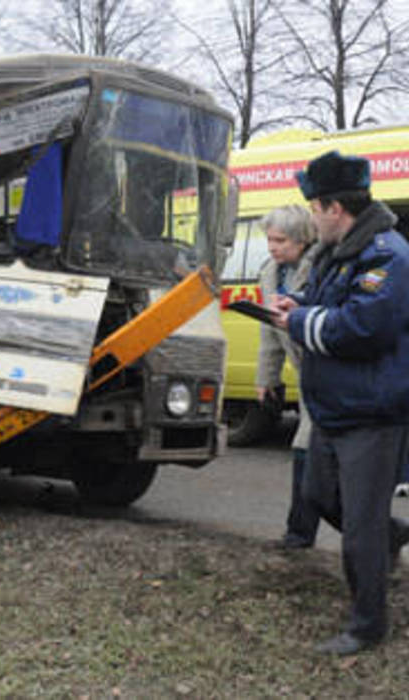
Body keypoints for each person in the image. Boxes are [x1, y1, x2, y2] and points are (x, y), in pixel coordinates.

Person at [271, 150, 409, 656]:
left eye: (313, 206)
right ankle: (390, 535)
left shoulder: (387, 255)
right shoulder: (342, 249)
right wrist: (300, 306)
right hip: (337, 408)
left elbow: (364, 326)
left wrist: (300, 323)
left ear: (334, 207)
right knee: (319, 496)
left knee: (359, 531)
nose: (310, 216)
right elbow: (333, 306)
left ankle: (367, 625)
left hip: (371, 413)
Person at [256, 205, 320, 549]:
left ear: (301, 239)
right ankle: (299, 533)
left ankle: (299, 534)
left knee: (307, 448)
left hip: (328, 373)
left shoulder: (320, 267)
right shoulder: (269, 272)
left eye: (280, 240)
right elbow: (270, 333)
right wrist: (266, 378)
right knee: (309, 451)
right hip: (306, 374)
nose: (272, 247)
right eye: (269, 239)